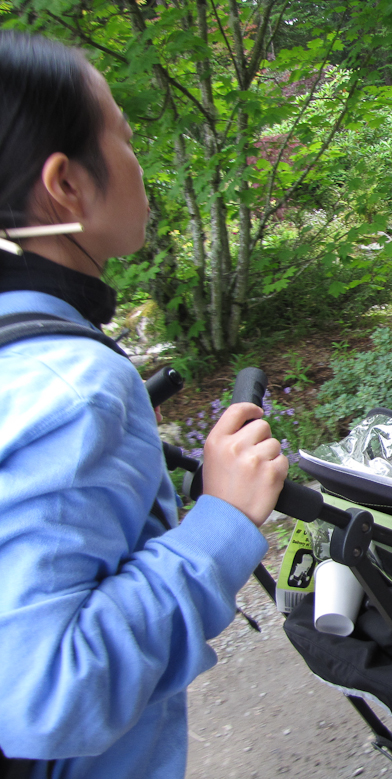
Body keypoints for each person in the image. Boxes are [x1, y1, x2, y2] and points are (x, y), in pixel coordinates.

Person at [0, 31, 289, 778]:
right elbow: (46, 695)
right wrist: (223, 518)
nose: (139, 164)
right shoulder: (74, 388)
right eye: (124, 138)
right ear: (65, 184)